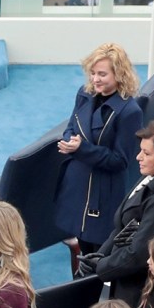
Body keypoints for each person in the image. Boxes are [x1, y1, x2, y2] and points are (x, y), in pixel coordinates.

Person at [82, 118, 154, 306]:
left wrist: (101, 265)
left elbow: (139, 254)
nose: (138, 157)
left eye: (146, 153)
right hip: (126, 283)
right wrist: (99, 256)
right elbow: (122, 227)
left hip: (142, 296)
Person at [54, 42, 144, 254]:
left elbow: (120, 160)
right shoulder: (84, 94)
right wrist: (69, 141)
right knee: (80, 244)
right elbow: (71, 126)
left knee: (97, 253)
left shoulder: (130, 111)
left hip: (102, 193)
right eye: (92, 73)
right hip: (77, 184)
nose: (95, 79)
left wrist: (81, 149)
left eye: (102, 74)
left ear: (119, 74)